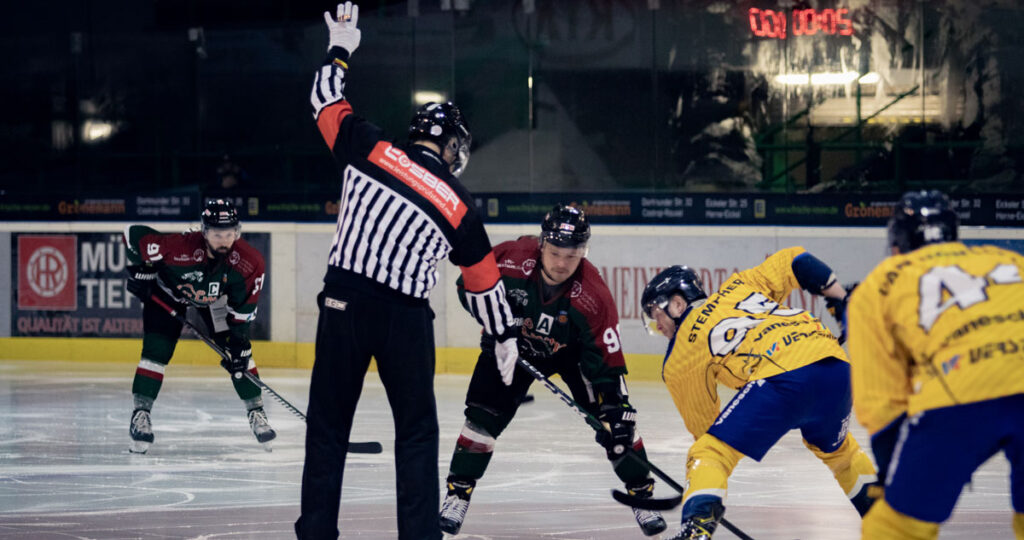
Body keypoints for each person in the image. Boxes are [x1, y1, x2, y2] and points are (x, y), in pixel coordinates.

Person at [294, 4, 519, 539]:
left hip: (343, 305)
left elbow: (324, 98)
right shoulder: (459, 203)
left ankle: (317, 532)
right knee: (416, 433)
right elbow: (484, 284)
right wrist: (505, 333)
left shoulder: (368, 145)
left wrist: (340, 48)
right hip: (405, 321)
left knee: (327, 427)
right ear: (451, 145)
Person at [438, 204, 668, 537]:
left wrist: (615, 407)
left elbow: (605, 357)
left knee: (616, 425)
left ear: (583, 252)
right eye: (556, 253)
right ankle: (458, 494)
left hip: (573, 355)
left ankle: (641, 496)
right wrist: (496, 324)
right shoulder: (510, 259)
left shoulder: (593, 295)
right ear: (542, 244)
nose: (562, 263)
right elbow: (468, 285)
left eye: (572, 255)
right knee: (482, 418)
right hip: (511, 346)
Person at [640, 248, 878, 539]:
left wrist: (702, 486)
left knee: (709, 452)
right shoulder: (739, 286)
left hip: (784, 376)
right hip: (836, 366)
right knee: (842, 454)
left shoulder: (680, 352)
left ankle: (696, 531)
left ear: (677, 304)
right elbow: (796, 259)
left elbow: (705, 431)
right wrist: (838, 296)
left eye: (656, 315)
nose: (658, 326)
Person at [847, 190, 1024, 540]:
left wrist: (894, 478)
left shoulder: (881, 282)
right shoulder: (1008, 259)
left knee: (893, 528)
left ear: (897, 242)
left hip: (959, 391)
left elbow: (880, 401)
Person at [123, 198, 272, 454]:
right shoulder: (178, 247)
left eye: (229, 233)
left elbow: (242, 308)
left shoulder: (249, 261)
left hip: (214, 301)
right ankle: (141, 415)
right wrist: (143, 273)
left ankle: (256, 412)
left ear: (237, 232)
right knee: (156, 352)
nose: (224, 240)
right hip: (168, 294)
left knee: (238, 353)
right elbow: (132, 234)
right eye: (217, 234)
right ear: (204, 232)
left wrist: (239, 342)